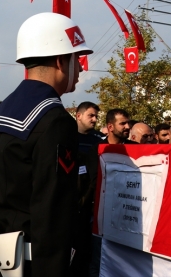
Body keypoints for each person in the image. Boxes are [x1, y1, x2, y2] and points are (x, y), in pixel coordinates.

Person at [0, 12, 93, 277]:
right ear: (60, 61)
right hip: (35, 262)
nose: (81, 69)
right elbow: (52, 209)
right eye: (77, 60)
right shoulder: (54, 120)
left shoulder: (1, 109)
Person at [73, 101, 103, 277]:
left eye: (96, 116)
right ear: (78, 116)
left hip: (90, 204)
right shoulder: (67, 138)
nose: (94, 119)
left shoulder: (97, 141)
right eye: (91, 115)